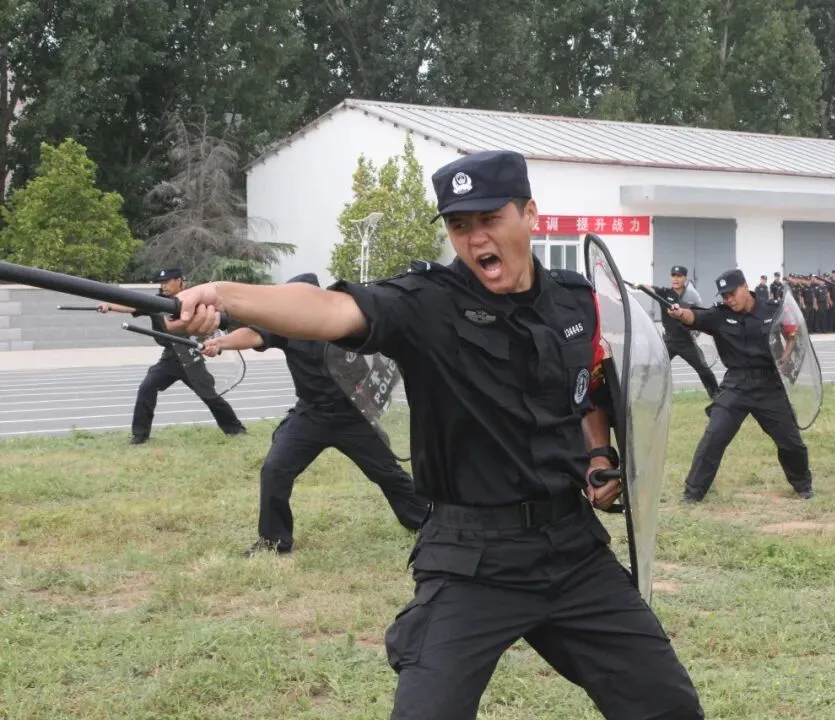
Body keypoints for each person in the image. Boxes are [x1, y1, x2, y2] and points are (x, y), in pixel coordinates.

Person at [165, 150, 704, 719]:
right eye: (460, 225)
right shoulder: (427, 303)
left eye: (490, 219)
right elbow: (328, 308)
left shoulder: (575, 301)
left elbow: (588, 388)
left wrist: (596, 455)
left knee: (667, 706)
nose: (476, 238)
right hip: (471, 559)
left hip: (572, 548)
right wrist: (223, 295)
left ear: (530, 215)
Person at [200, 272, 431, 556]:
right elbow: (254, 333)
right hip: (311, 415)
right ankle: (274, 542)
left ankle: (425, 524)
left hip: (353, 416)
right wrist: (220, 343)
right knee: (275, 471)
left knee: (388, 474)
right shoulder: (286, 324)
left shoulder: (341, 319)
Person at [668, 269, 814, 504]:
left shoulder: (773, 309)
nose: (729, 299)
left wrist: (785, 359)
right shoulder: (719, 315)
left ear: (745, 287)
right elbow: (693, 316)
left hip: (769, 384)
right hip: (736, 385)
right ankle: (692, 493)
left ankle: (803, 486)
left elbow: (793, 334)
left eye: (732, 293)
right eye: (724, 296)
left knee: (791, 442)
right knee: (713, 438)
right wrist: (679, 313)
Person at [97, 267, 246, 444]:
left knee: (209, 395)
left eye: (167, 282)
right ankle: (140, 435)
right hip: (170, 357)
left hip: (190, 357)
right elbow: (132, 305)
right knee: (147, 388)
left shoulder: (194, 300)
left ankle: (236, 429)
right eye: (161, 283)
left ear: (179, 281)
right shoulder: (156, 302)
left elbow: (212, 325)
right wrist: (109, 306)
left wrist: (215, 346)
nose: (163, 286)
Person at [639, 266, 720, 398]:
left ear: (685, 278)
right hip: (669, 341)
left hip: (686, 341)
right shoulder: (664, 293)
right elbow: (651, 289)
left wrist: (697, 330)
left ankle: (716, 395)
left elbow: (699, 315)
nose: (675, 279)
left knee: (703, 369)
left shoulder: (691, 296)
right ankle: (643, 395)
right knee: (655, 368)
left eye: (679, 276)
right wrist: (639, 286)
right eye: (673, 276)